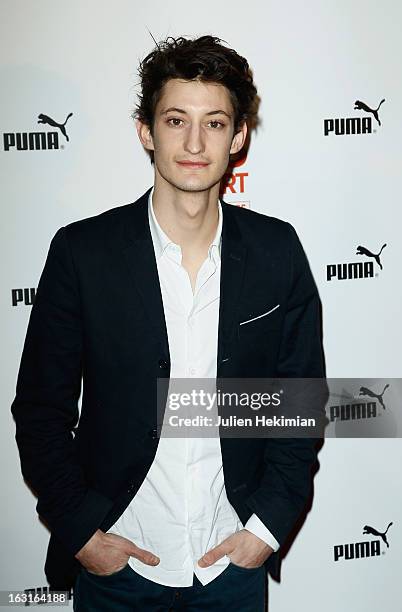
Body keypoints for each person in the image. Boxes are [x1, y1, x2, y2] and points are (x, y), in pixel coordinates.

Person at [11, 35, 327, 611]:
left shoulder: (276, 252)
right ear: (145, 131)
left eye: (214, 123)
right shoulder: (83, 253)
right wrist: (83, 534)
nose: (193, 142)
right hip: (118, 566)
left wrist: (265, 531)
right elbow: (40, 411)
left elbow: (298, 404)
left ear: (238, 138)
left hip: (230, 567)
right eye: (176, 119)